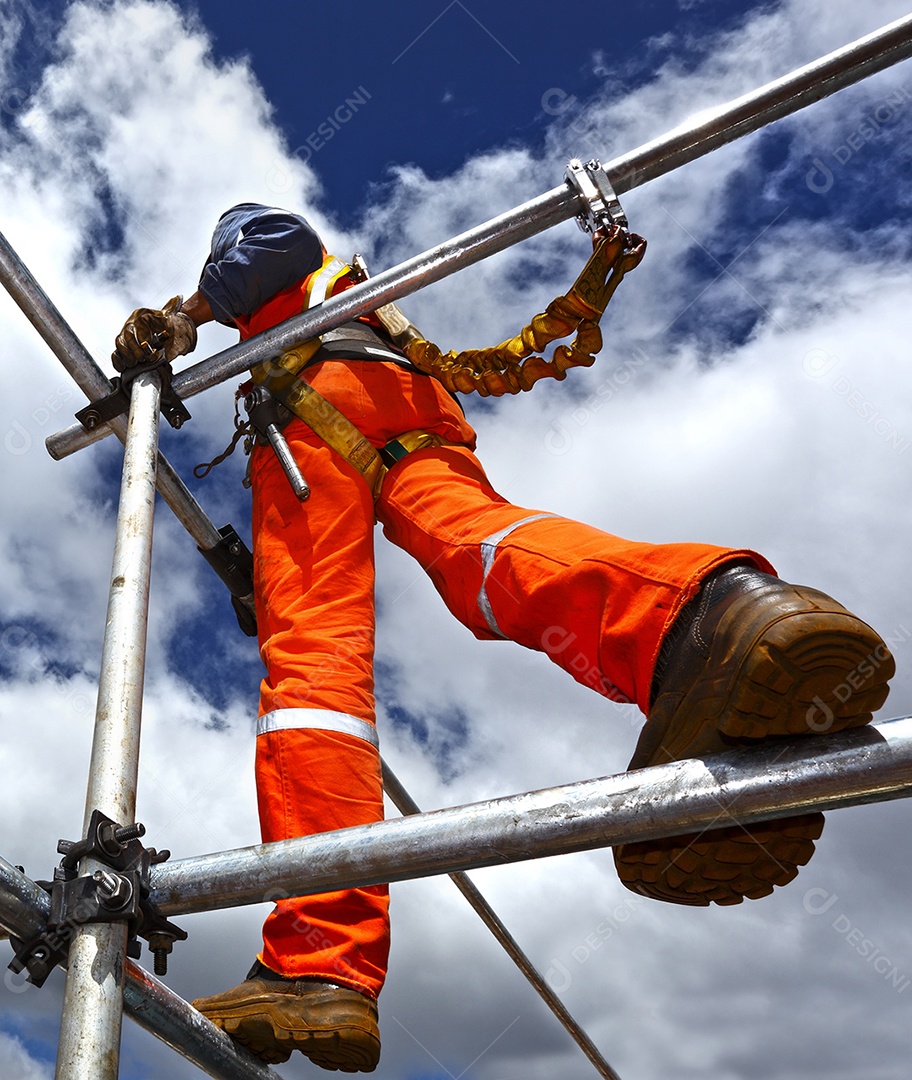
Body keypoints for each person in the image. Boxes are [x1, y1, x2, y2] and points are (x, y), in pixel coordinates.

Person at [112, 203, 893, 1072]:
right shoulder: (361, 300)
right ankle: (699, 621)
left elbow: (272, 245)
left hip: (312, 405)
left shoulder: (268, 249)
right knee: (476, 555)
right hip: (403, 409)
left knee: (314, 665)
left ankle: (321, 961)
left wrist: (185, 314)